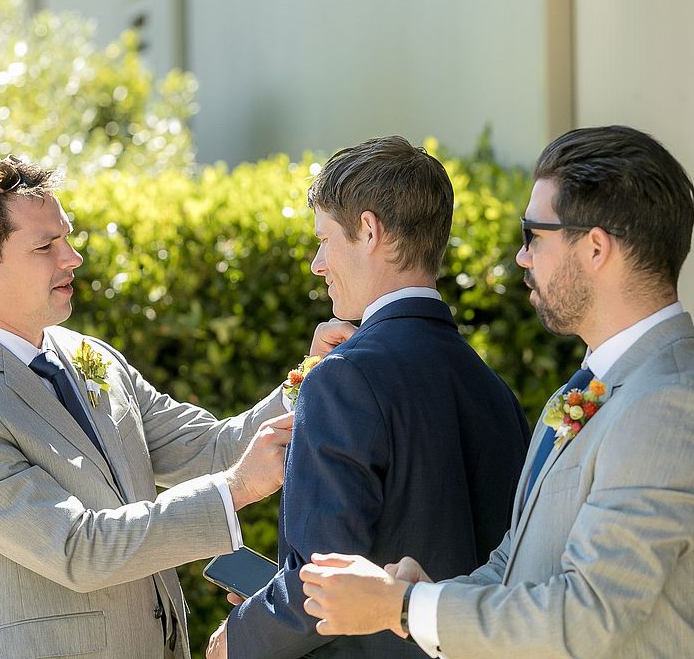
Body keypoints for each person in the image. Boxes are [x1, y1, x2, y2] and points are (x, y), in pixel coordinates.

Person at [299, 125, 694, 658]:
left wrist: (400, 608)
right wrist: (419, 597)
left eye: (534, 234)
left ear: (596, 248)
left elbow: (586, 614)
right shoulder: (600, 388)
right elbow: (515, 565)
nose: (522, 257)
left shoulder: (673, 404)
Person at [0, 156, 314, 658]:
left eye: (67, 237)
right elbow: (77, 549)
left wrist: (307, 380)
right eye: (45, 246)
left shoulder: (85, 354)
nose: (72, 258)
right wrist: (238, 489)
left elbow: (209, 448)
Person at [209, 136, 531, 659]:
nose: (317, 263)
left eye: (324, 240)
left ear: (368, 230)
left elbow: (325, 578)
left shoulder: (342, 378)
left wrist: (241, 636)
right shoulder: (493, 390)